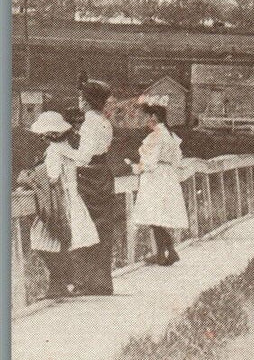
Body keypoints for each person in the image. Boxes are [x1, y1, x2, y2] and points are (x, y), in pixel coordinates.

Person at [22, 111, 100, 299]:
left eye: (43, 134)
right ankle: (61, 283)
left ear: (50, 134)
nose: (41, 137)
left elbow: (53, 177)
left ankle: (59, 283)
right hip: (71, 197)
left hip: (59, 199)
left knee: (42, 239)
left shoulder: (53, 151)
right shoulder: (65, 147)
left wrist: (31, 177)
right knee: (60, 242)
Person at [65, 78, 118, 295]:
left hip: (88, 177)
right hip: (103, 174)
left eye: (81, 97)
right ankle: (101, 282)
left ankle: (85, 283)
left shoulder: (89, 123)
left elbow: (84, 157)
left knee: (84, 226)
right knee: (102, 228)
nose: (79, 101)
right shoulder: (105, 122)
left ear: (86, 101)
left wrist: (63, 154)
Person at [129, 104, 187, 265]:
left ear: (154, 117)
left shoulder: (156, 136)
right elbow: (177, 160)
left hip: (155, 176)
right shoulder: (170, 135)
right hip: (167, 175)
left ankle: (167, 252)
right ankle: (163, 253)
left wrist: (135, 167)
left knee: (154, 216)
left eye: (147, 117)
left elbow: (148, 162)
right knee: (158, 217)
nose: (146, 121)